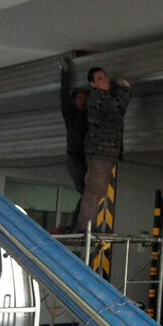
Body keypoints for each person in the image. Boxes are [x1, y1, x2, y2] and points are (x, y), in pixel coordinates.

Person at [75, 67, 132, 231]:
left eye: (105, 76)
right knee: (95, 189)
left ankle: (86, 226)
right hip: (100, 151)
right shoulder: (97, 97)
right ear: (92, 84)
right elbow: (117, 107)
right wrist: (125, 89)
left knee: (98, 189)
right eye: (99, 78)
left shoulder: (105, 96)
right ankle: (85, 227)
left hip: (107, 152)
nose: (105, 80)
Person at [59, 64, 90, 231]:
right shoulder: (70, 113)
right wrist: (65, 72)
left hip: (87, 157)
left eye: (85, 98)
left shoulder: (91, 115)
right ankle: (77, 225)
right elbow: (63, 95)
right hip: (74, 157)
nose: (83, 101)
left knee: (88, 192)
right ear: (75, 100)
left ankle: (78, 224)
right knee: (86, 191)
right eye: (80, 98)